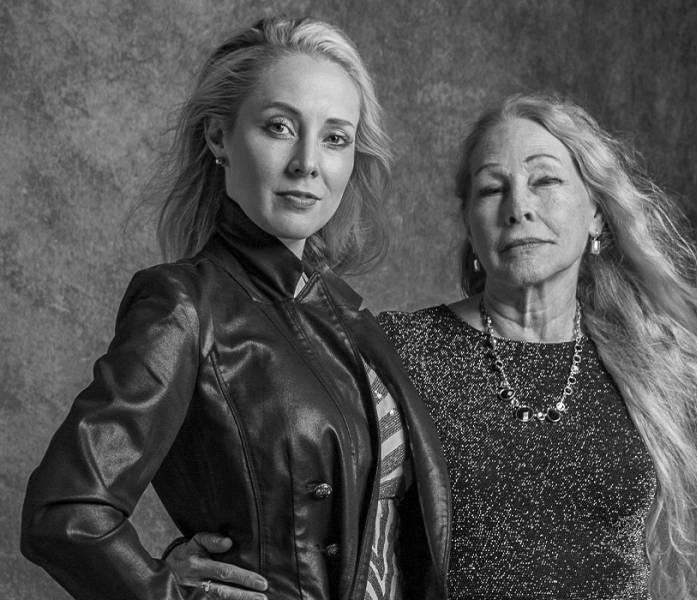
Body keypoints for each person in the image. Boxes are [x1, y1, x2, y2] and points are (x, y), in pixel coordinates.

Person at [371, 93, 697, 599]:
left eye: (545, 180)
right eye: (491, 190)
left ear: (596, 214)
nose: (518, 208)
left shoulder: (649, 362)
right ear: (469, 222)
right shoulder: (402, 348)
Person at [19, 17, 449, 600]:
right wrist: (168, 593)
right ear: (219, 138)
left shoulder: (354, 321)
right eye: (279, 127)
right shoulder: (183, 305)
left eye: (335, 137)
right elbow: (65, 511)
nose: (308, 163)